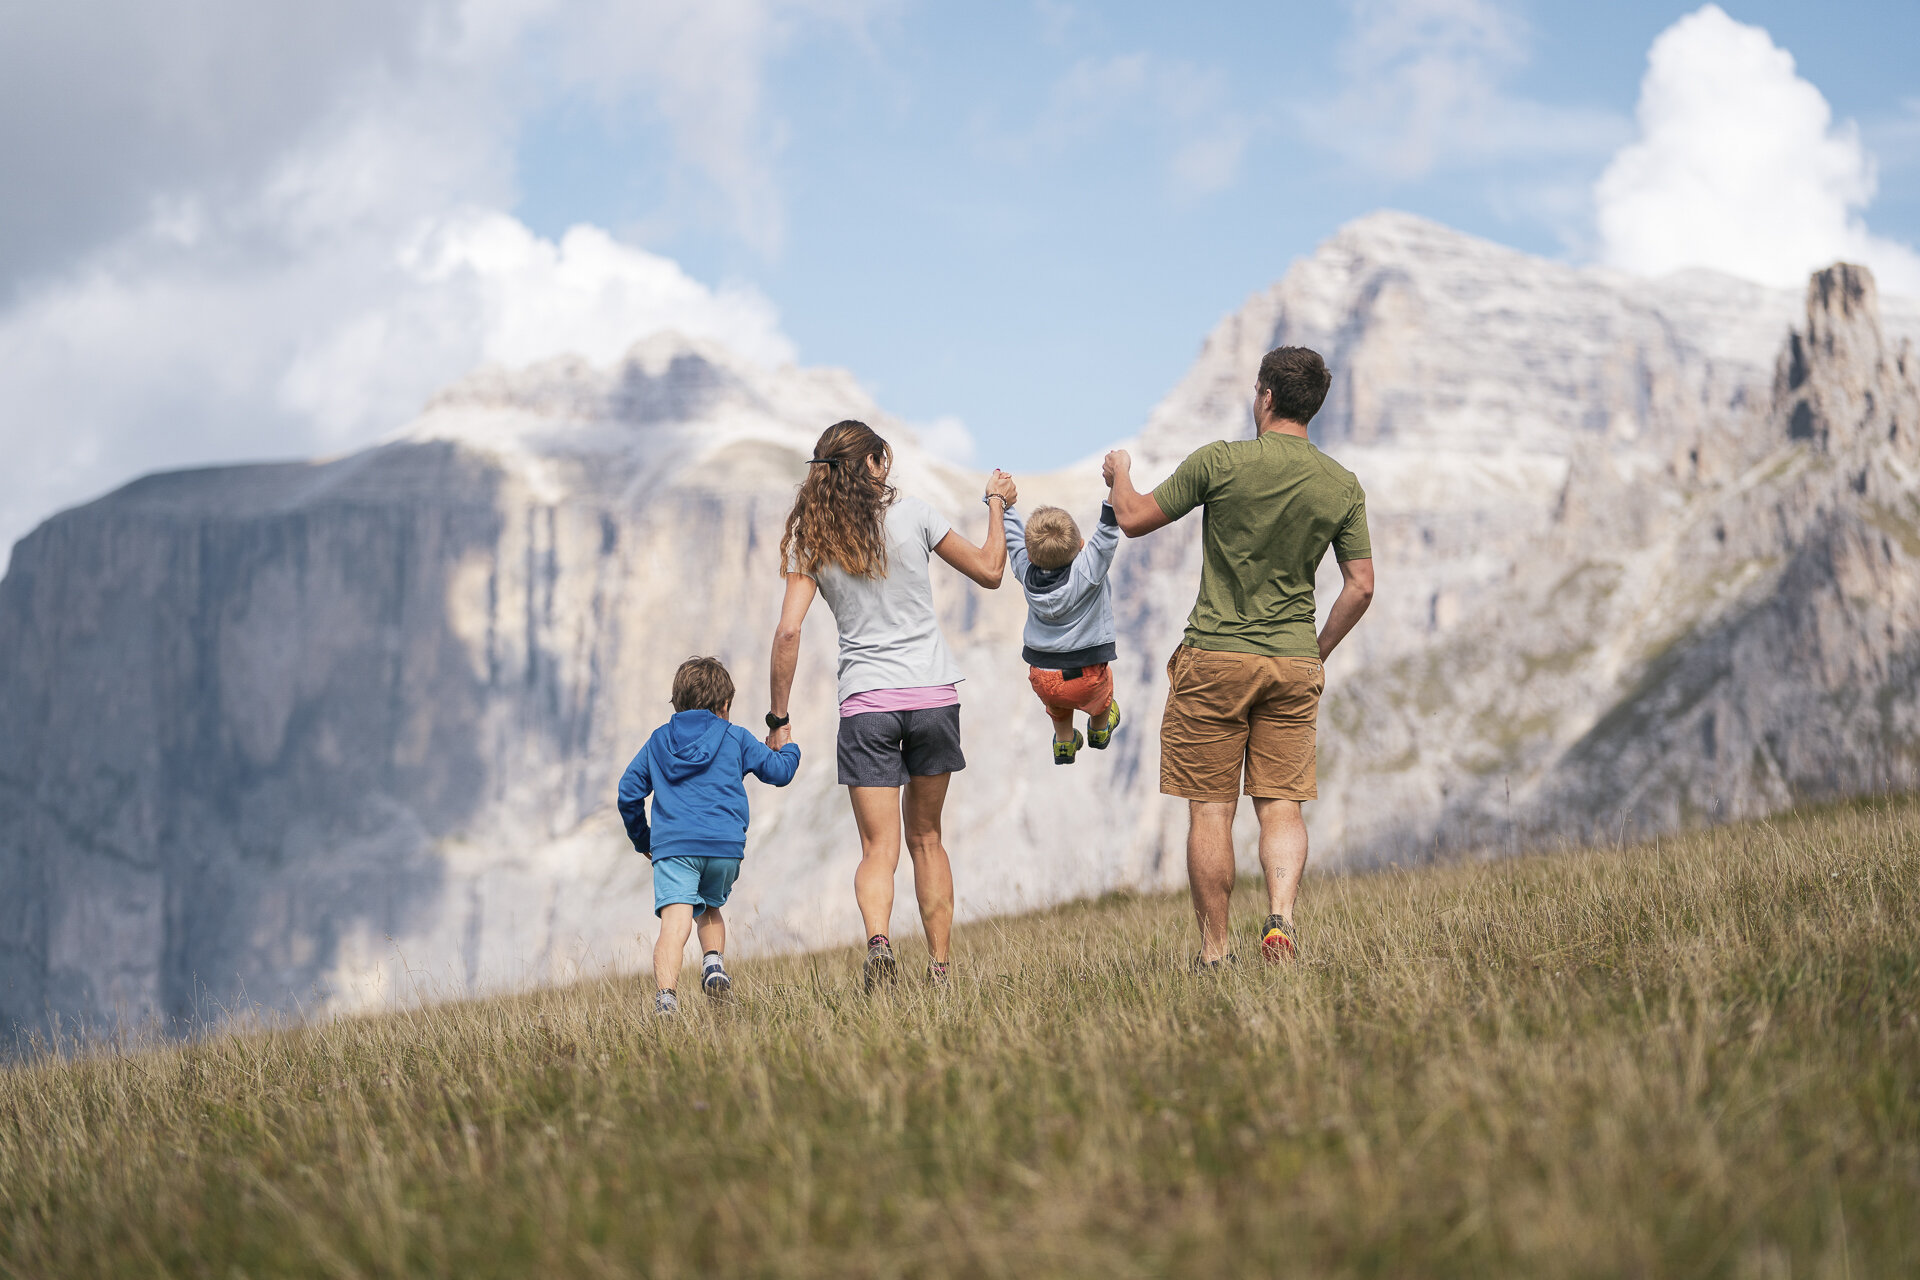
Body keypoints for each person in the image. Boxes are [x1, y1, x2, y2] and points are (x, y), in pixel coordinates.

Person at [1103, 346, 1374, 968]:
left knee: (1211, 809)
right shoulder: (1341, 485)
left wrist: (1119, 470)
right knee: (1281, 803)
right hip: (1292, 663)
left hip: (1216, 660)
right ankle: (1279, 922)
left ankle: (1216, 953)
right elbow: (1360, 584)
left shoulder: (1220, 462)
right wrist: (1317, 649)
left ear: (1266, 397)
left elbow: (1135, 516)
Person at [765, 419, 1015, 991]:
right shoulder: (917, 516)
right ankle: (940, 968)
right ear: (875, 464)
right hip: (932, 696)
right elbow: (991, 571)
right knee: (927, 838)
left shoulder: (813, 537)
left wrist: (778, 719)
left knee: (878, 848)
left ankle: (879, 942)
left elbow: (786, 633)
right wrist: (996, 504)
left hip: (866, 705)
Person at [616, 655, 802, 1015]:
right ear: (726, 704)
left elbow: (628, 792)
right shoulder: (736, 737)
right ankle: (713, 964)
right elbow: (780, 772)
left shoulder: (658, 741)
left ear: (678, 702)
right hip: (724, 848)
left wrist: (644, 840)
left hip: (674, 848)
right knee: (711, 907)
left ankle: (667, 999)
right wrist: (787, 744)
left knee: (675, 923)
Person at [1004, 502, 1124, 764]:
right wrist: (1114, 487)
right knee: (1104, 695)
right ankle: (1099, 729)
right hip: (1087, 676)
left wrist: (1005, 506)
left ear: (1031, 556)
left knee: (1058, 705)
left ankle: (1064, 743)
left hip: (1043, 676)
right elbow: (1107, 534)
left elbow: (1013, 540)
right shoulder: (1088, 570)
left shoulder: (1026, 572)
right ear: (1081, 544)